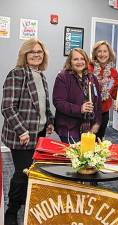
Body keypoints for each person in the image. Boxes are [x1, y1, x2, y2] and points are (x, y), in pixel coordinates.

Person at [1, 38, 54, 225]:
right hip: (21, 135)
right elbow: (7, 107)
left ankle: (24, 201)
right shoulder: (17, 74)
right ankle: (11, 210)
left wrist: (49, 120)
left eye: (39, 52)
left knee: (32, 171)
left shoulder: (41, 75)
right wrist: (22, 130)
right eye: (32, 52)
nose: (36, 55)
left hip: (38, 133)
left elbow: (43, 105)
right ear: (25, 54)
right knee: (22, 173)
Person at [53, 48, 101, 143]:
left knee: (87, 156)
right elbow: (58, 102)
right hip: (69, 129)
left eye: (82, 59)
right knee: (73, 157)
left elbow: (98, 103)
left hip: (89, 129)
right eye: (75, 59)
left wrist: (97, 123)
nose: (79, 62)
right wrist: (80, 109)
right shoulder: (63, 77)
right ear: (70, 61)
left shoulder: (92, 78)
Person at [89, 40, 118, 140]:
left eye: (105, 51)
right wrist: (98, 84)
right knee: (86, 140)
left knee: (98, 140)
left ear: (109, 54)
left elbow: (116, 93)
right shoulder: (88, 68)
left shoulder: (113, 72)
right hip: (89, 112)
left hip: (103, 113)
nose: (102, 54)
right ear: (95, 53)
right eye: (99, 51)